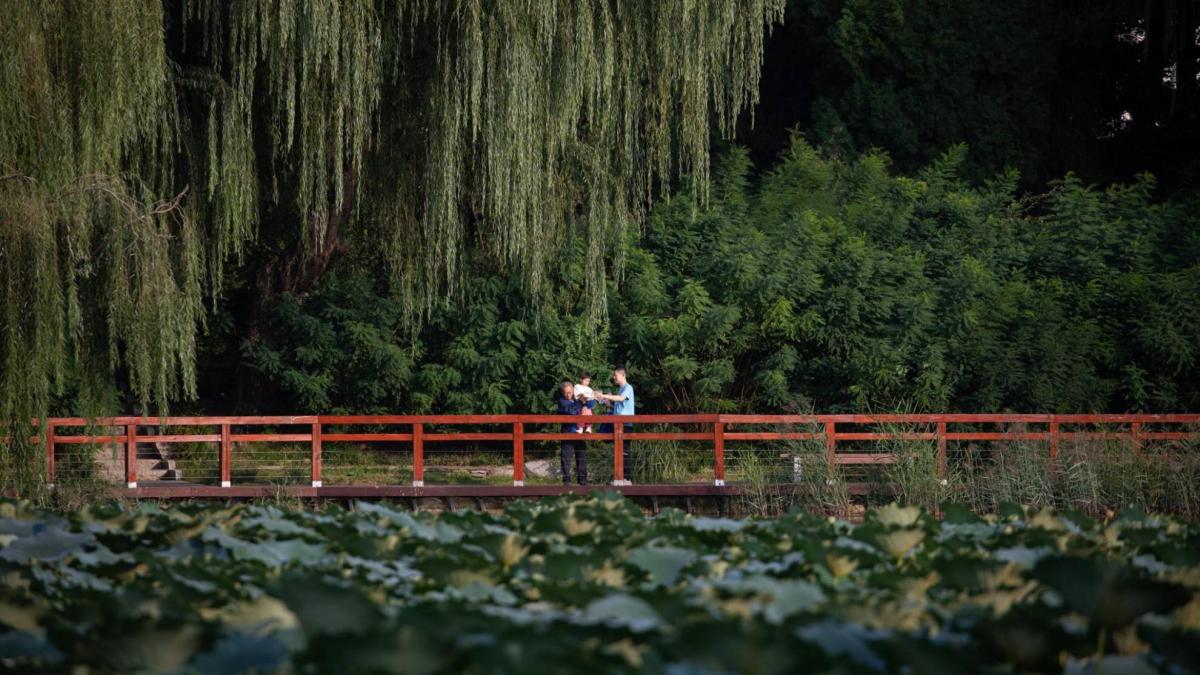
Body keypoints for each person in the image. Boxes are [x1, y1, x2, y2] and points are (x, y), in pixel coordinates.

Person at [597, 367, 635, 483]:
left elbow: (621, 399)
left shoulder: (628, 388)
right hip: (618, 424)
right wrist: (609, 405)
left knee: (625, 452)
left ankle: (627, 479)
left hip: (625, 424)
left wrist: (604, 395)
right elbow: (620, 406)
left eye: (615, 375)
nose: (613, 377)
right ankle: (620, 478)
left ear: (623, 375)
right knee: (619, 451)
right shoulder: (621, 389)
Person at [555, 380, 593, 485]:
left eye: (570, 392)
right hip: (568, 432)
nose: (568, 395)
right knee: (566, 458)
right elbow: (571, 411)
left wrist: (587, 398)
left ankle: (583, 482)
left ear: (573, 390)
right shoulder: (562, 401)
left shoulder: (577, 397)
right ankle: (567, 482)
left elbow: (591, 404)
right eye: (566, 393)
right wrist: (581, 403)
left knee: (582, 457)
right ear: (562, 393)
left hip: (579, 433)